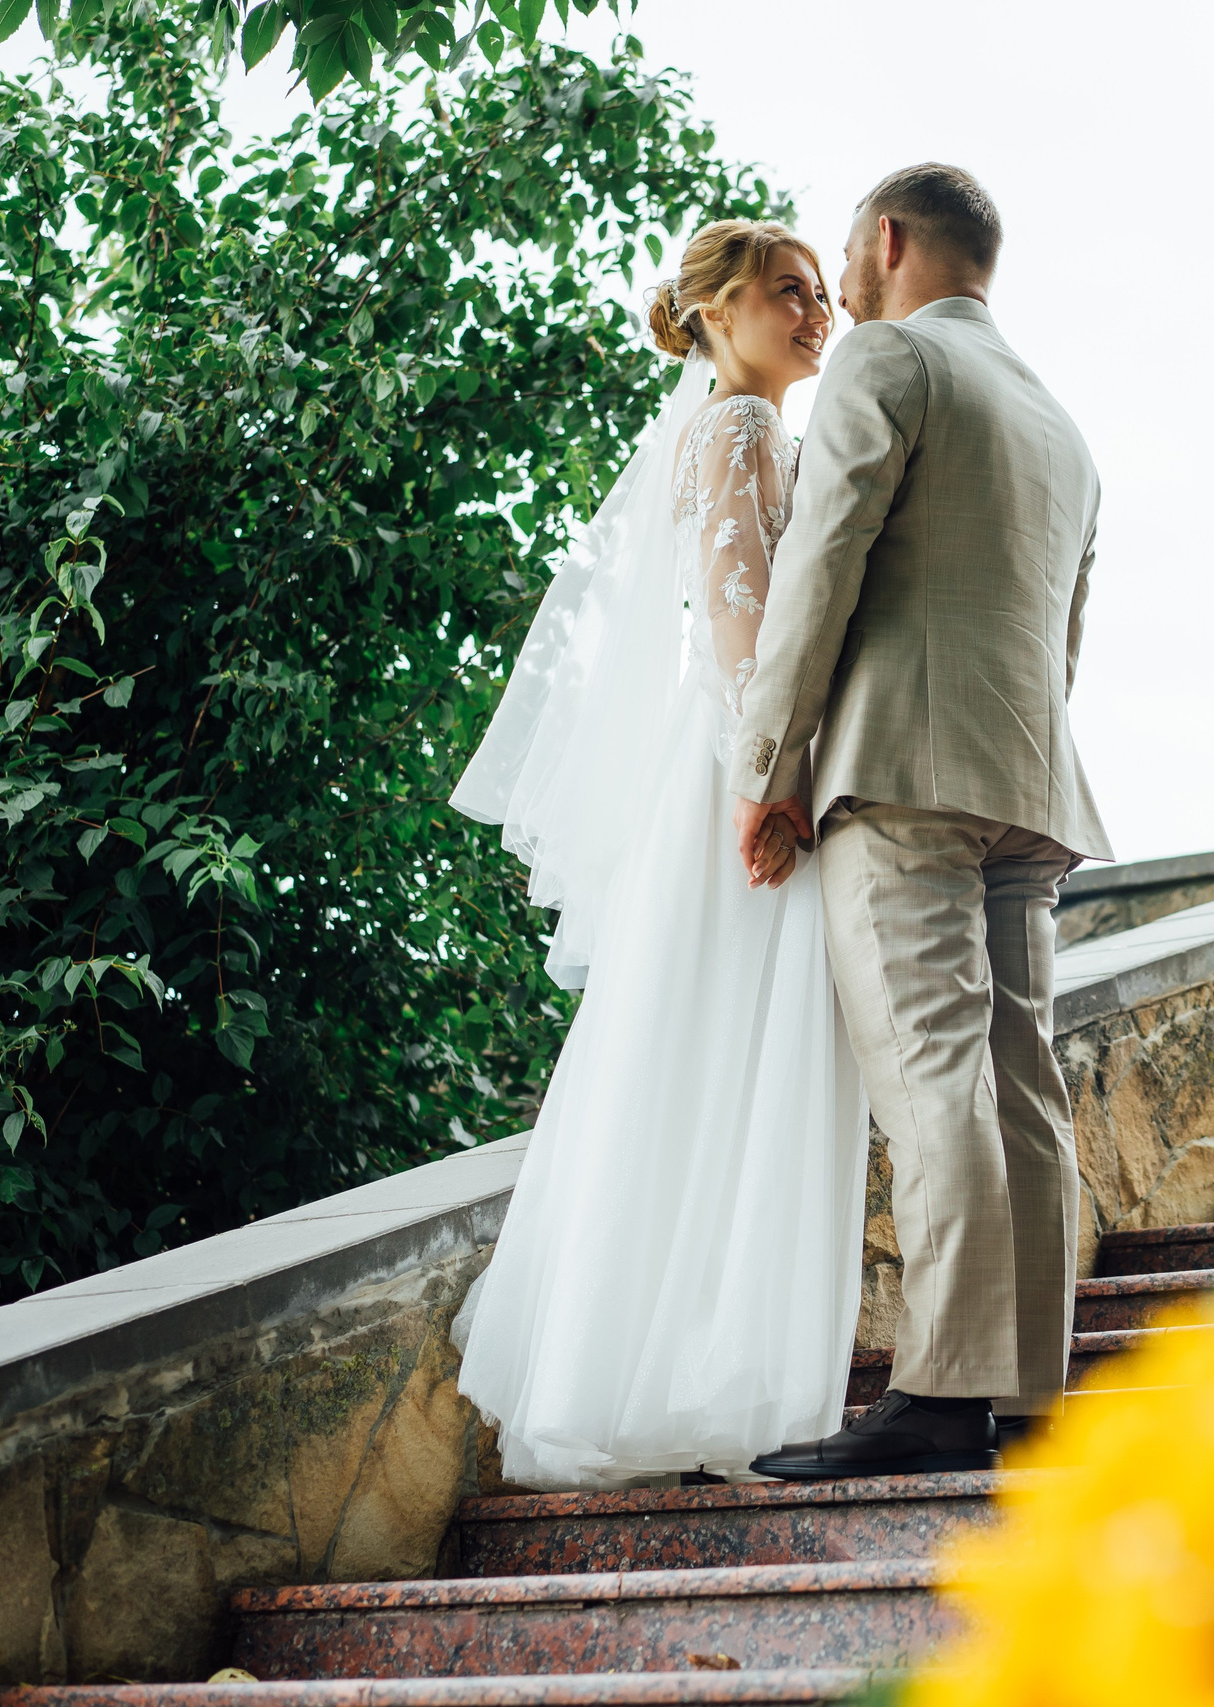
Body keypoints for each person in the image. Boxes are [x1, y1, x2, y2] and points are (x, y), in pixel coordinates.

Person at [444, 221, 870, 1487]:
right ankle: (721, 1383)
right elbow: (739, 618)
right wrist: (774, 780)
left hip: (735, 763)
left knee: (700, 1051)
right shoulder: (738, 429)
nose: (816, 314)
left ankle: (667, 1376)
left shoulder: (741, 428)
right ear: (718, 310)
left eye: (816, 294)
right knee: (744, 1052)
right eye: (787, 294)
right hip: (748, 776)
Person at [731, 164, 1110, 1480]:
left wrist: (770, 758)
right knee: (1024, 1085)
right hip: (1030, 784)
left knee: (934, 1073)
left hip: (901, 771)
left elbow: (821, 561)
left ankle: (945, 1391)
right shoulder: (1061, 424)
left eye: (844, 250)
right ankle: (1035, 1393)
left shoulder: (887, 362)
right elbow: (1063, 642)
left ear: (886, 240)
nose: (837, 280)